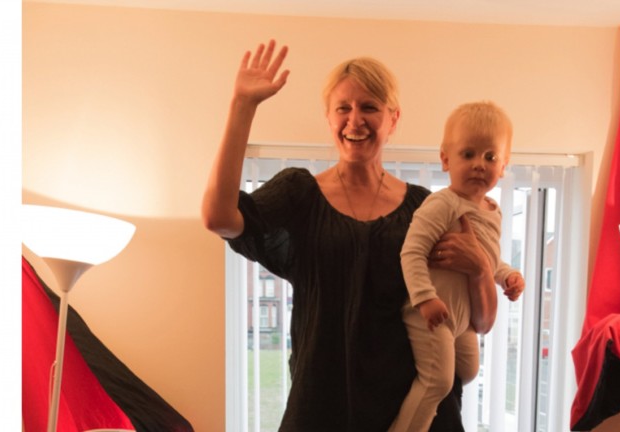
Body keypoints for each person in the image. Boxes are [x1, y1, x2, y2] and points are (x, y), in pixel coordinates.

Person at [201, 40, 503, 431]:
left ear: (393, 119)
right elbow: (219, 218)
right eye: (343, 107)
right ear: (329, 118)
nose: (354, 120)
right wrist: (243, 106)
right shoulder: (299, 194)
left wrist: (481, 269)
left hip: (411, 410)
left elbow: (479, 323)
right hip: (324, 403)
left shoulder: (426, 208)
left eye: (370, 107)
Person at [389, 101, 526, 432]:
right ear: (446, 159)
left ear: (504, 165)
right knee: (437, 381)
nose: (480, 164)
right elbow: (412, 252)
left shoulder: (493, 210)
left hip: (462, 321)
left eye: (490, 157)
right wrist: (424, 298)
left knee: (468, 370)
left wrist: (507, 274)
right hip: (433, 314)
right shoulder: (442, 204)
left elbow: (487, 258)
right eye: (468, 155)